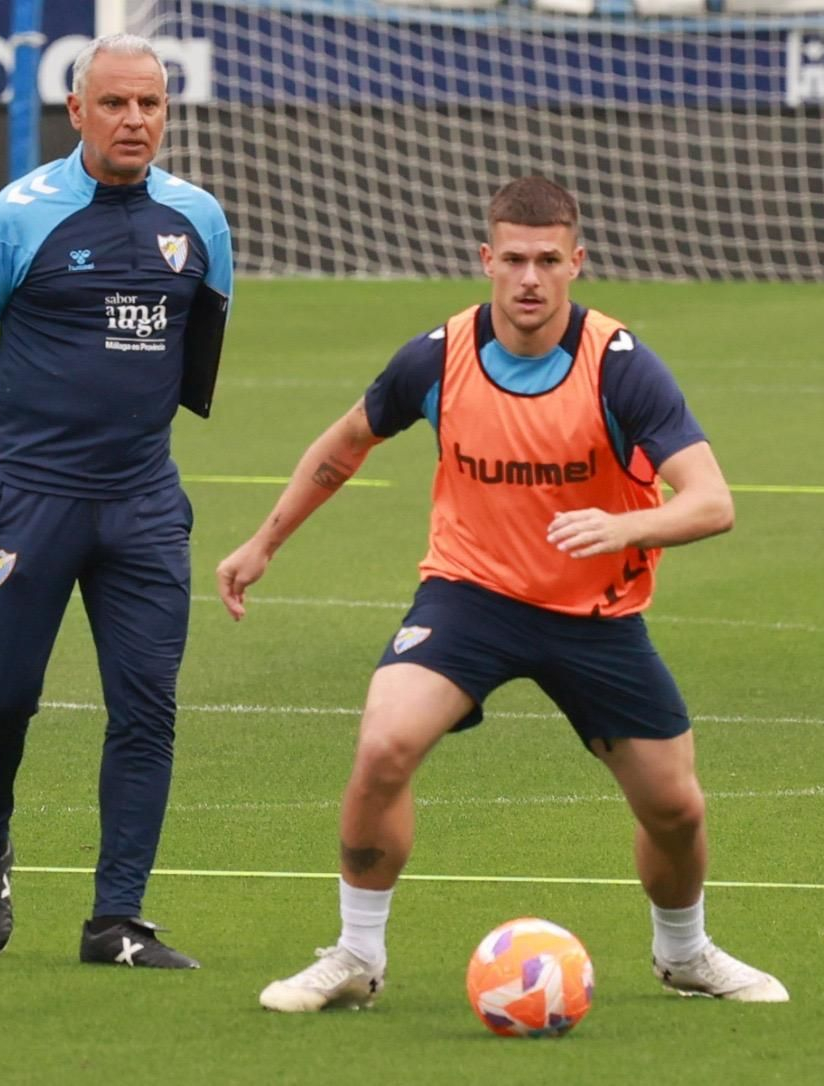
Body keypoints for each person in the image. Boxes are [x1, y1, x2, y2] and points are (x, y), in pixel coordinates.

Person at [216, 177, 787, 1011]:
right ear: (486, 259)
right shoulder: (437, 357)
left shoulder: (620, 367)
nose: (529, 278)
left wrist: (626, 528)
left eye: (548, 261)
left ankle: (686, 954)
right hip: (469, 597)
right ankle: (355, 956)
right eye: (513, 259)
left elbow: (713, 501)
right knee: (383, 748)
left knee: (675, 809)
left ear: (576, 263)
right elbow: (345, 444)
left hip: (595, 613)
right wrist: (264, 541)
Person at [0, 33, 232, 969]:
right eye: (114, 104)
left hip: (144, 503)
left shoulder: (199, 221)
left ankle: (117, 920)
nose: (134, 120)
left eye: (149, 104)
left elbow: (199, 350)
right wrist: (36, 431)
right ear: (77, 112)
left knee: (146, 710)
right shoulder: (15, 218)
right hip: (34, 500)